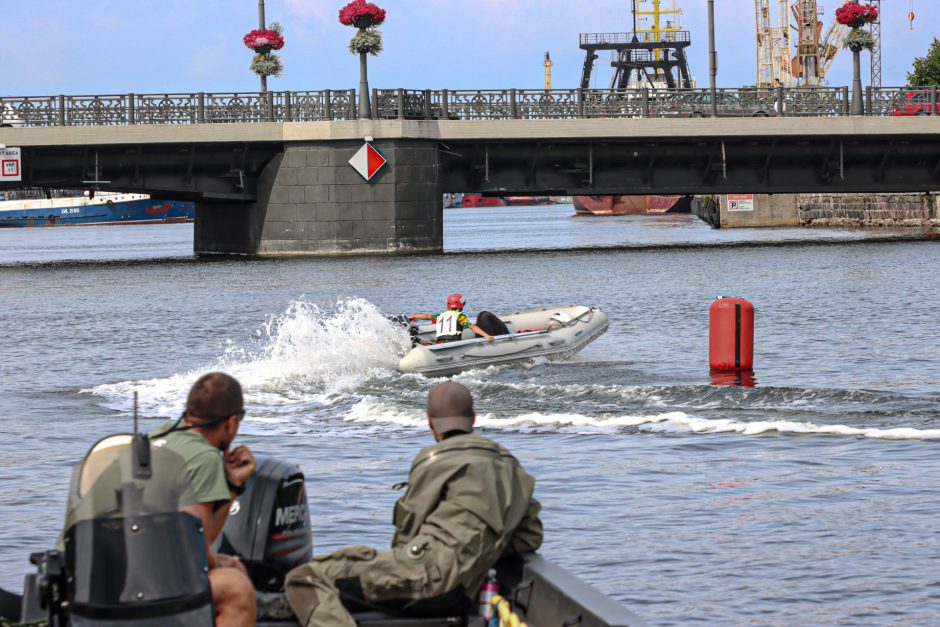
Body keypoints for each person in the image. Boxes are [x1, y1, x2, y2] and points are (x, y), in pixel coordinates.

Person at [284, 381, 543, 627]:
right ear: (473, 418)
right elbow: (529, 537)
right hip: (465, 592)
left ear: (430, 422)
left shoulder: (434, 459)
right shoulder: (511, 466)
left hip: (427, 581)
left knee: (306, 577)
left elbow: (405, 538)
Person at [151, 372, 258, 627]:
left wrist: (232, 486)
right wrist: (224, 562)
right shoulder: (205, 458)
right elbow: (199, 551)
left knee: (229, 568)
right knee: (236, 587)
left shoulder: (153, 439)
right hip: (144, 583)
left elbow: (198, 537)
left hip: (101, 576)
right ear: (231, 422)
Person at [407, 292, 504, 343]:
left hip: (440, 342)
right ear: (461, 305)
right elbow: (473, 327)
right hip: (453, 344)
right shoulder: (460, 316)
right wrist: (487, 336)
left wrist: (412, 316)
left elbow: (426, 316)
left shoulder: (441, 315)